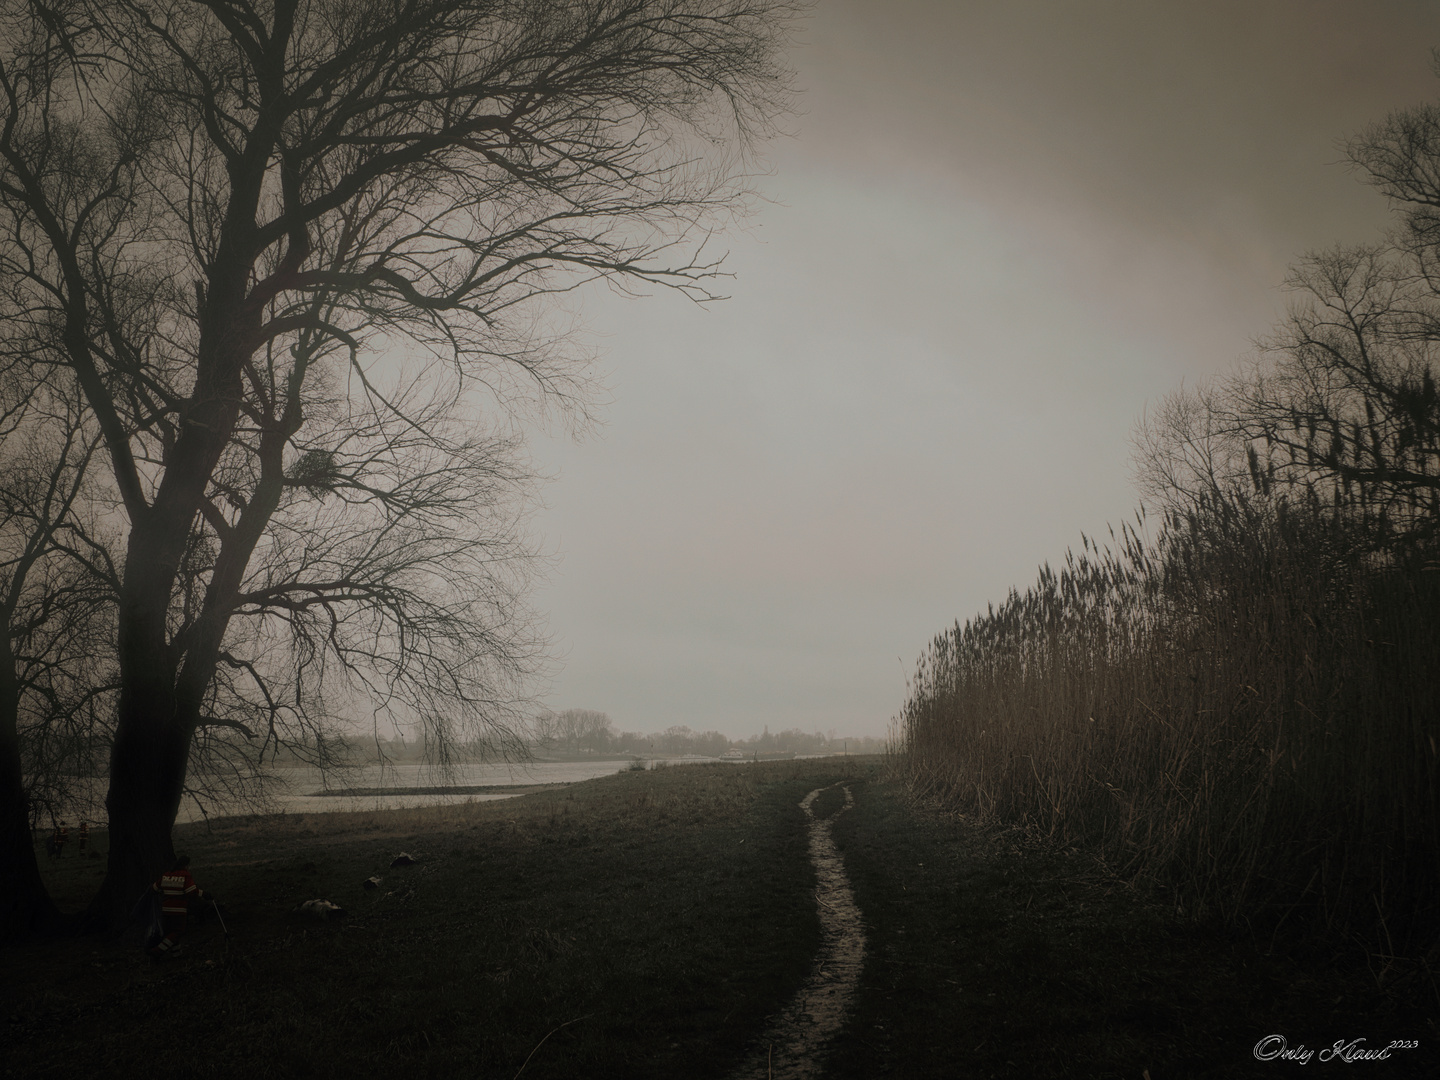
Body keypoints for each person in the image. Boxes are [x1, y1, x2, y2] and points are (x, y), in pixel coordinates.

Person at [147, 854, 208, 958]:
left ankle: (176, 954)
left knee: (170, 932)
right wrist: (204, 894)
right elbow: (192, 892)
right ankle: (157, 951)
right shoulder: (185, 876)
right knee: (177, 932)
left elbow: (154, 889)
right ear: (186, 865)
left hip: (165, 910)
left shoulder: (166, 875)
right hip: (179, 910)